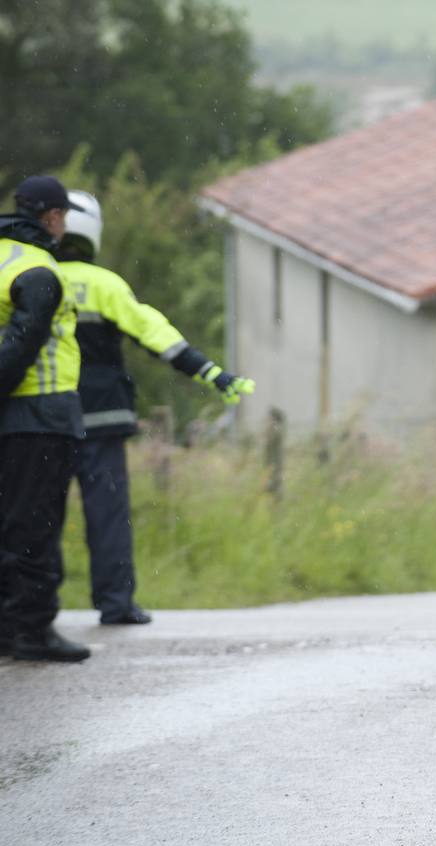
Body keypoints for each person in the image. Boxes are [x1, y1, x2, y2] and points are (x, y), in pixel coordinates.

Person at [54, 190, 255, 626]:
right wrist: (212, 373)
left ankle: (31, 610)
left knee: (35, 516)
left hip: (42, 418)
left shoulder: (26, 275)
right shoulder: (105, 285)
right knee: (106, 515)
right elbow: (158, 336)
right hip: (101, 418)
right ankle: (115, 603)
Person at [0, 176, 89, 662]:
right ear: (52, 217)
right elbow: (21, 347)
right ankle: (33, 630)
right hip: (39, 412)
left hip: (13, 415)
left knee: (6, 522)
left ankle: (6, 628)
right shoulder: (39, 269)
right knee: (34, 524)